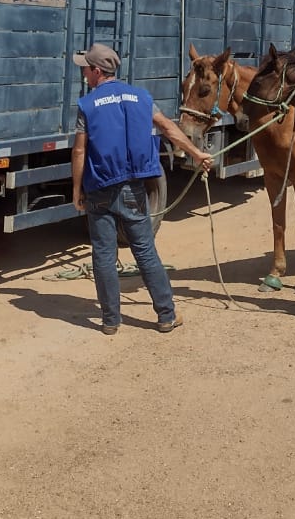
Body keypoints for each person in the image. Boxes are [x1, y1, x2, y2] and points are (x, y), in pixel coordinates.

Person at [70, 43, 214, 335]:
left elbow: (79, 152)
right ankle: (166, 315)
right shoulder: (141, 97)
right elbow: (169, 129)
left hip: (99, 189)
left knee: (103, 255)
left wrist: (77, 189)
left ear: (98, 71)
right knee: (146, 252)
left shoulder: (87, 104)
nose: (83, 73)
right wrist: (197, 154)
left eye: (85, 68)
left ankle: (110, 321)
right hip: (133, 189)